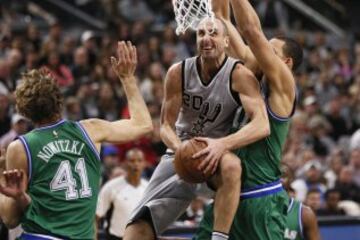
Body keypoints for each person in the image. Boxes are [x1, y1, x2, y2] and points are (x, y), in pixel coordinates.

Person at [124, 17, 270, 240]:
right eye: (201, 33)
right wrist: (180, 149)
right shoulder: (178, 72)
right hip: (180, 149)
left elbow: (262, 124)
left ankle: (219, 238)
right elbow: (164, 126)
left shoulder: (239, 75)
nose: (206, 38)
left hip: (216, 154)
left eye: (213, 33)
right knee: (135, 231)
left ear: (226, 41)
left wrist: (222, 145)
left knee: (232, 165)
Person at [0, 41, 153, 240]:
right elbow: (143, 125)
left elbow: (10, 219)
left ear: (24, 111)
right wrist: (127, 78)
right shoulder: (90, 130)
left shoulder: (20, 147)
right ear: (59, 100)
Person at [194, 0, 303, 239]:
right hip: (226, 197)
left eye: (269, 50)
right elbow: (221, 20)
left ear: (286, 64)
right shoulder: (249, 77)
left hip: (260, 201)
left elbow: (252, 32)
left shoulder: (284, 88)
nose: (260, 51)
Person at [96, 148, 148, 240]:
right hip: (116, 237)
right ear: (124, 163)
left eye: (139, 161)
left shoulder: (148, 188)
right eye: (132, 161)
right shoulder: (111, 187)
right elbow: (97, 217)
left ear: (144, 164)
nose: (136, 164)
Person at [282, 164, 321, 240]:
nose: (279, 180)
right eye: (275, 176)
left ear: (291, 180)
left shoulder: (305, 213)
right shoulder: (258, 209)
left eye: (283, 176)